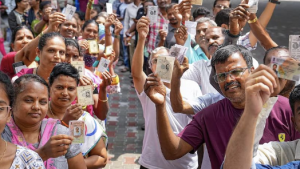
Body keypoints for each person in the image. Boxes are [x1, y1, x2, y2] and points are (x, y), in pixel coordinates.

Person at [146, 44, 300, 169]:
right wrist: (160, 106)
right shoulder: (208, 115)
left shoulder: (286, 109)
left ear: (252, 71)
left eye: (236, 71)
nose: (229, 79)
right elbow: (172, 152)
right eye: (221, 76)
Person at [132, 16, 201, 169]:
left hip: (184, 163)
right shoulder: (149, 87)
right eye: (156, 60)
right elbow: (136, 73)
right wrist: (142, 38)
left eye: (167, 58)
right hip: (152, 163)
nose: (162, 62)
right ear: (151, 66)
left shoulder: (192, 86)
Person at [2, 74, 86, 169]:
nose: (36, 107)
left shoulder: (60, 132)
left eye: (43, 102)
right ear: (12, 103)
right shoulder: (3, 133)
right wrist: (43, 154)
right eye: (29, 100)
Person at [47, 63, 108, 168]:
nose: (65, 93)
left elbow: (101, 158)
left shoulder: (82, 118)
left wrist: (72, 164)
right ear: (49, 86)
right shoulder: (38, 115)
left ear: (77, 90)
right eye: (60, 87)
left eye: (70, 89)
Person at [0, 71, 46, 169]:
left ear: (8, 114)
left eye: (0, 108)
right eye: (29, 100)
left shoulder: (29, 162)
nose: (36, 107)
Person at [0, 13, 64, 79]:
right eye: (20, 38)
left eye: (29, 38)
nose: (25, 41)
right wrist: (48, 30)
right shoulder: (7, 59)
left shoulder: (39, 59)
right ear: (13, 46)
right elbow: (26, 55)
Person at [123, 0, 142, 69]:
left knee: (141, 56)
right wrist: (125, 36)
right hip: (131, 37)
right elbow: (126, 22)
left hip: (142, 36)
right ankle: (133, 73)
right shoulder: (128, 7)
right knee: (132, 55)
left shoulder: (145, 5)